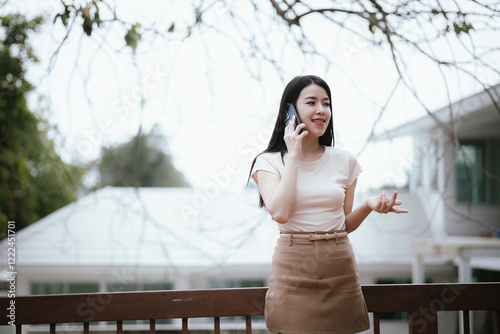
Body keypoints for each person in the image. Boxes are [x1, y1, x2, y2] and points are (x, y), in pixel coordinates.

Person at [248, 75, 408, 334]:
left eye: (326, 103)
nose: (321, 110)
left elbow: (343, 224)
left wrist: (368, 205)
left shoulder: (345, 161)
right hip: (293, 265)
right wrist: (294, 155)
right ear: (291, 110)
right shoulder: (269, 162)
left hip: (338, 263)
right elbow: (280, 212)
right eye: (311, 102)